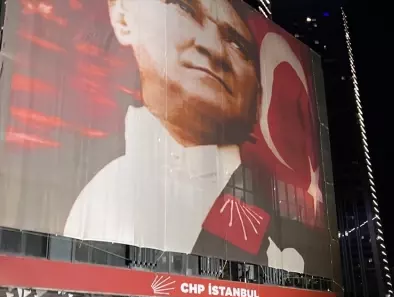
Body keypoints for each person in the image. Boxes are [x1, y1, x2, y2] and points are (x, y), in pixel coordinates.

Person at [59, 0, 330, 277]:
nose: (212, 47)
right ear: (123, 16)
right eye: (185, 10)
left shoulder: (272, 207)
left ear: (258, 96)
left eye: (237, 44)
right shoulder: (101, 193)